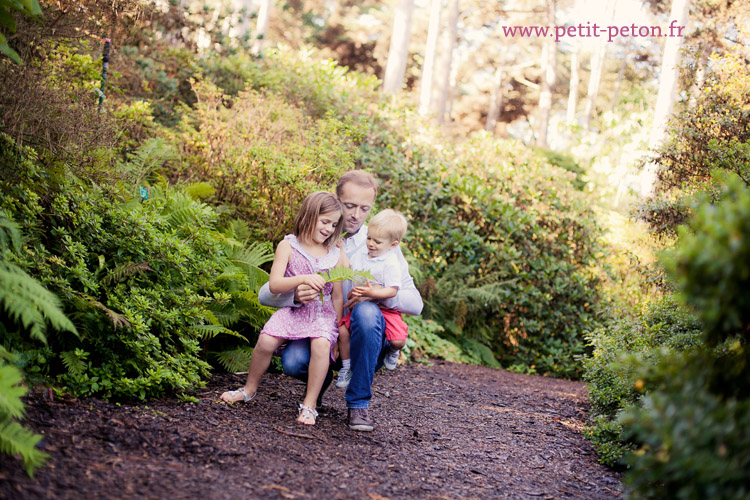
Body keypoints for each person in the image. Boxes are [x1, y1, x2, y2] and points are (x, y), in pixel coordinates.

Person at [258, 170, 423, 432]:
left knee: (367, 313)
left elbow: (416, 304)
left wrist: (377, 293)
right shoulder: (313, 235)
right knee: (291, 362)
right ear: (336, 200)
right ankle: (318, 383)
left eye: (364, 208)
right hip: (318, 329)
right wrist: (296, 295)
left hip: (360, 337)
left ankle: (358, 403)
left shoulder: (381, 242)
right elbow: (265, 294)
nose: (356, 214)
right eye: (349, 206)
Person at [220, 191, 347, 426]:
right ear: (310, 215)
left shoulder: (336, 254)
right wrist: (303, 279)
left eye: (334, 224)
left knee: (321, 344)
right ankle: (248, 389)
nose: (329, 228)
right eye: (325, 221)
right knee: (266, 341)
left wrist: (339, 334)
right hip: (294, 309)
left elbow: (337, 296)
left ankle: (309, 406)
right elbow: (275, 285)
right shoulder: (288, 246)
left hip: (322, 312)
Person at [336, 209, 409, 389]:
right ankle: (346, 367)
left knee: (398, 341)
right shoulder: (363, 256)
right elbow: (352, 273)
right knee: (343, 332)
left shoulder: (391, 262)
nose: (370, 244)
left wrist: (373, 293)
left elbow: (392, 290)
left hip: (385, 309)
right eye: (369, 238)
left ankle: (392, 352)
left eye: (377, 241)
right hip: (361, 307)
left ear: (393, 244)